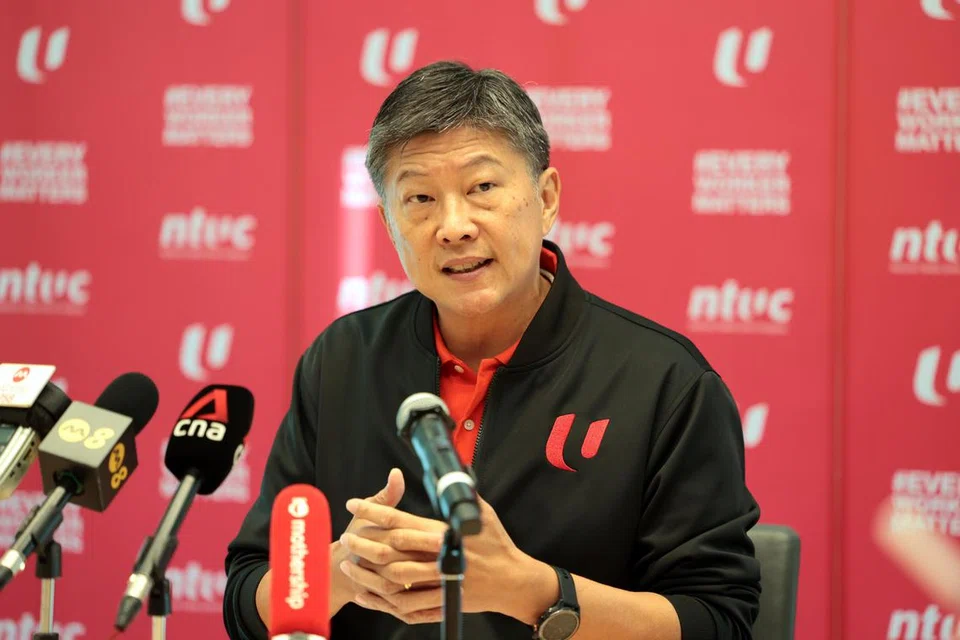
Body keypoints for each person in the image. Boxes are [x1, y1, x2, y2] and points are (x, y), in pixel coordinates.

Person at [223, 60, 762, 640]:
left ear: (546, 198)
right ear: (387, 222)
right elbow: (248, 597)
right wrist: (340, 573)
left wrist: (534, 593)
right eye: (420, 198)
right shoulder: (342, 361)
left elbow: (719, 622)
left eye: (482, 188)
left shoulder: (664, 382)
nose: (453, 226)